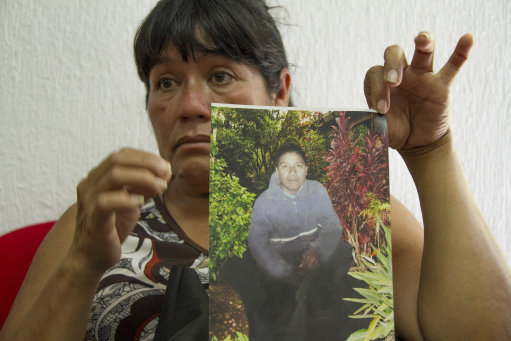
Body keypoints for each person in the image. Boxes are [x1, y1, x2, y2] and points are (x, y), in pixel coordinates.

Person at [0, 0, 509, 340]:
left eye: (220, 75)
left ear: (279, 90)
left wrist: (431, 150)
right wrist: (82, 265)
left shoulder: (354, 207)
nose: (191, 104)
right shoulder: (99, 220)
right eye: (166, 82)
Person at [246, 143, 360, 339]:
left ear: (306, 169)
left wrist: (317, 251)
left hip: (311, 251)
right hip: (281, 255)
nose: (292, 172)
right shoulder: (264, 202)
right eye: (285, 166)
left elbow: (332, 226)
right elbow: (257, 244)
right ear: (277, 170)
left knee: (341, 249)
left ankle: (321, 302)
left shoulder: (317, 191)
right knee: (274, 294)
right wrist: (285, 272)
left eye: (298, 166)